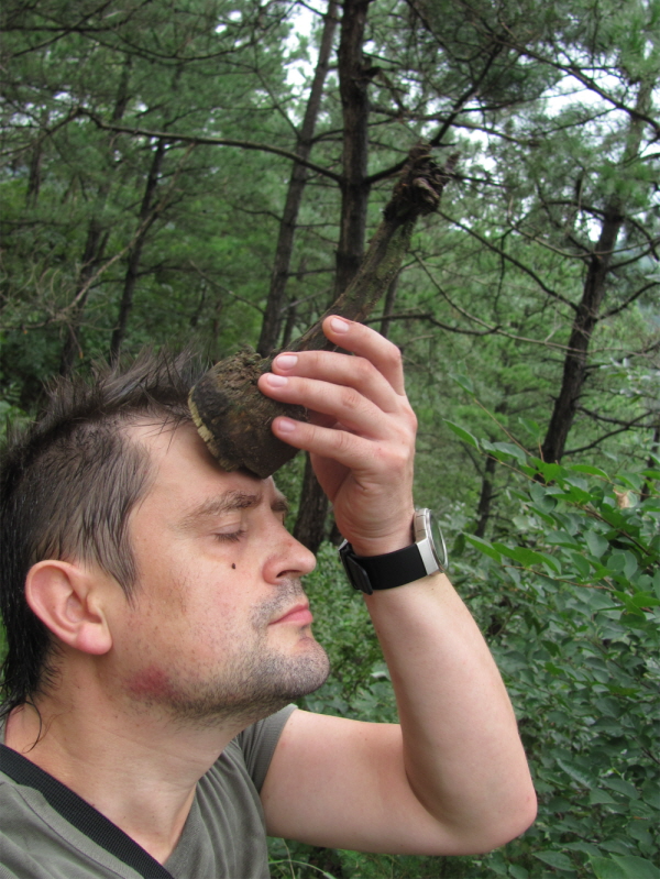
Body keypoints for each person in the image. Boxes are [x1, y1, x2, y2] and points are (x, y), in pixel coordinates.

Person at [0, 317, 536, 879]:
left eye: (277, 520)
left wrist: (385, 539)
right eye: (230, 530)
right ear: (77, 605)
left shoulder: (217, 752)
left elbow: (479, 809)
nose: (301, 556)